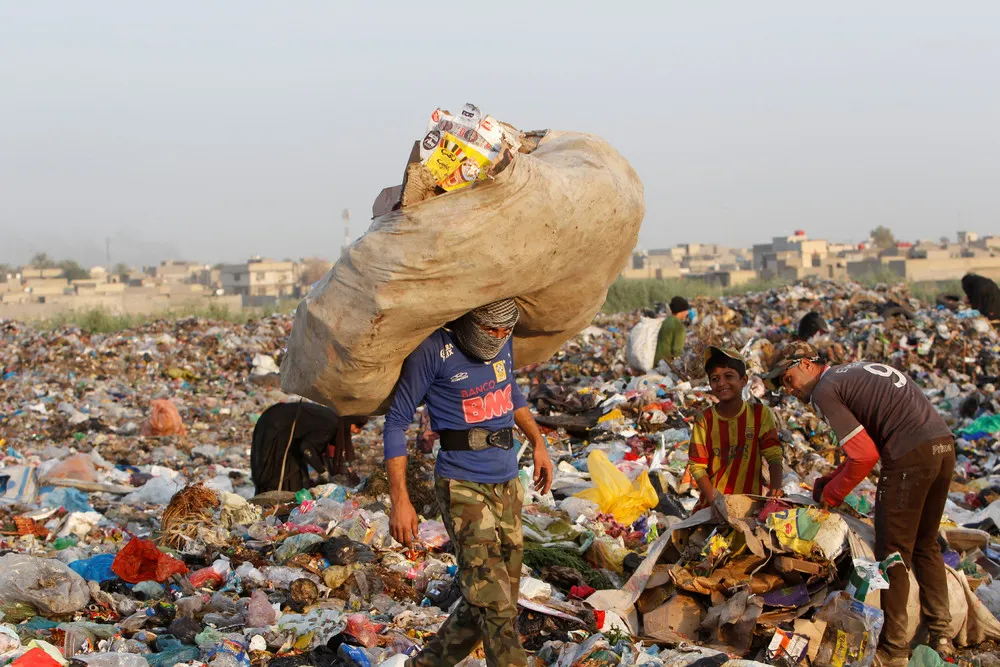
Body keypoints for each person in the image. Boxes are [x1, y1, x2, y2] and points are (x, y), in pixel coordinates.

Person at [382, 299, 553, 667]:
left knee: (492, 597)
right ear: (470, 322)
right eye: (490, 330)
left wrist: (538, 442)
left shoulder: (502, 339)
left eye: (504, 331)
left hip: (507, 481)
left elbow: (509, 389)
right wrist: (400, 499)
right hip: (462, 485)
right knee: (495, 603)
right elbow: (396, 422)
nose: (498, 337)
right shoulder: (434, 350)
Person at [763, 342, 956, 666]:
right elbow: (865, 447)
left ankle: (894, 650)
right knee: (925, 544)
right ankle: (942, 634)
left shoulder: (825, 390)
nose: (790, 389)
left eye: (787, 378)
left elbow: (865, 456)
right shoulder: (850, 373)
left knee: (892, 552)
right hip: (942, 447)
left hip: (909, 456)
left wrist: (832, 495)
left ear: (807, 364)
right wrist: (830, 479)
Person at [689, 347, 784, 513]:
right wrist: (716, 502)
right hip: (712, 508)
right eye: (715, 379)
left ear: (743, 380)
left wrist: (774, 490)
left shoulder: (759, 414)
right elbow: (697, 467)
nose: (722, 383)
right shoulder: (705, 420)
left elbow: (774, 455)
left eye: (729, 376)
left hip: (748, 506)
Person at [654, 296, 693, 365]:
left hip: (657, 361)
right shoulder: (679, 326)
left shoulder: (666, 321)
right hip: (666, 365)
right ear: (681, 310)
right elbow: (677, 351)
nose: (687, 313)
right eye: (686, 310)